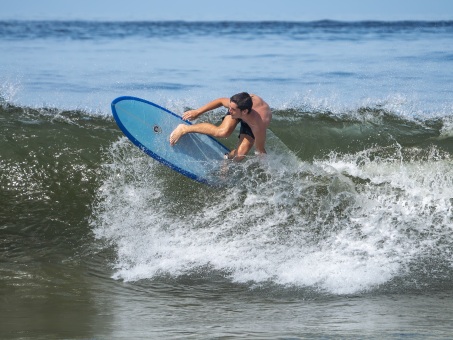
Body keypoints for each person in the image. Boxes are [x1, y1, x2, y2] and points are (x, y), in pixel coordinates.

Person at [169, 92, 272, 161]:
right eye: (229, 107)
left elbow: (260, 150)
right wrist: (198, 112)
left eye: (232, 109)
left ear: (244, 111)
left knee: (239, 156)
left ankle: (226, 158)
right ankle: (184, 128)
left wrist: (267, 173)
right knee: (223, 132)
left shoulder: (258, 126)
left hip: (249, 120)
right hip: (242, 111)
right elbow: (220, 101)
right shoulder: (237, 106)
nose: (229, 111)